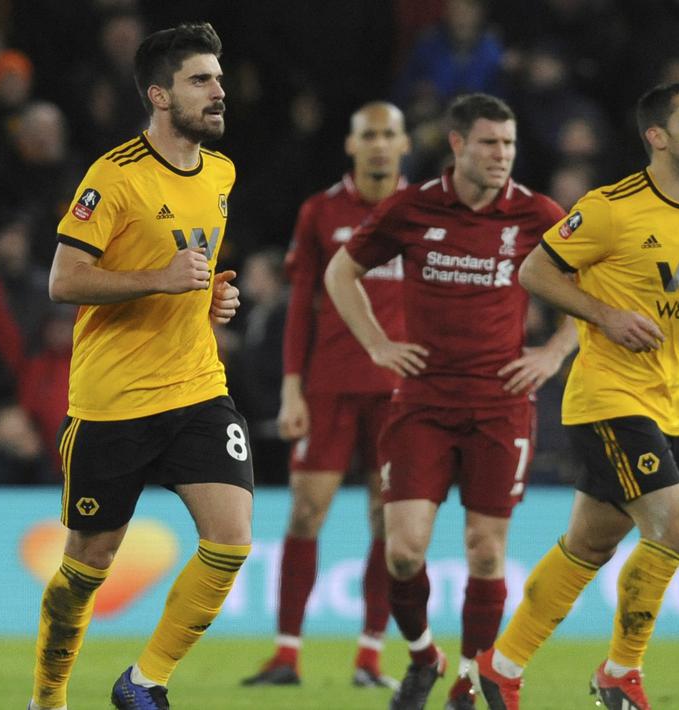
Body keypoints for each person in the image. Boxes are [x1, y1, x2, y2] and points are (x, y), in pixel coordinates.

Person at [470, 81, 679, 710]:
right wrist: (604, 315)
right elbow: (535, 271)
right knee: (676, 526)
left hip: (664, 401)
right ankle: (620, 673)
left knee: (589, 545)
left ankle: (500, 666)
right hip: (608, 400)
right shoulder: (611, 207)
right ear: (656, 136)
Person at [323, 93, 576, 710]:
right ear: (458, 144)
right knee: (404, 550)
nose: (502, 156)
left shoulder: (537, 213)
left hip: (501, 404)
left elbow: (593, 286)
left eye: (509, 144)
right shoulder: (411, 209)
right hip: (422, 404)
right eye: (490, 143)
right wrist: (379, 345)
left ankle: (468, 680)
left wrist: (553, 353)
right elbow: (340, 273)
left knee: (486, 551)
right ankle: (421, 657)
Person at [28, 22, 253, 710]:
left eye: (217, 78)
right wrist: (158, 277)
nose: (218, 91)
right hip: (114, 399)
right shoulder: (114, 176)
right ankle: (48, 696)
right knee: (87, 566)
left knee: (232, 541)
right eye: (199, 80)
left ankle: (143, 682)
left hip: (195, 387)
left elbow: (192, 265)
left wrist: (213, 297)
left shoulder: (221, 171)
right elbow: (63, 281)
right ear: (159, 95)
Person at [241, 101, 410, 690]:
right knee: (306, 512)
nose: (380, 145)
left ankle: (370, 658)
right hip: (329, 387)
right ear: (351, 144)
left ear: (404, 144)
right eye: (370, 135)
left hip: (398, 396)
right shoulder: (321, 211)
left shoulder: (425, 213)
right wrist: (292, 389)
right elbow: (299, 309)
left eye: (390, 135)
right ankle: (286, 655)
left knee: (389, 523)